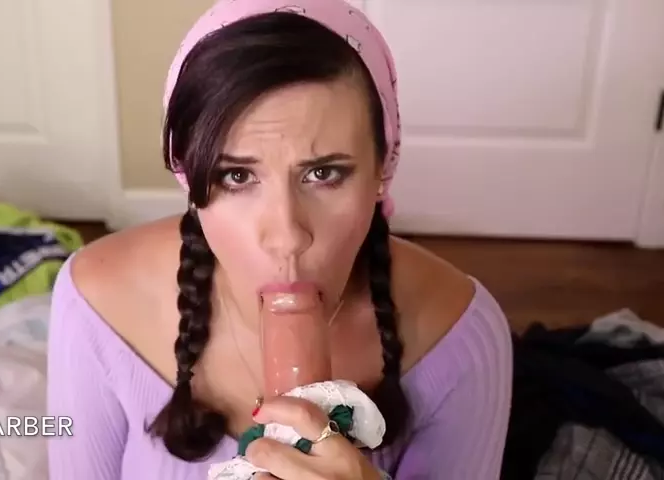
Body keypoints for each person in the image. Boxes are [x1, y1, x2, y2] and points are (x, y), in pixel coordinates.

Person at [46, 0, 513, 478]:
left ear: (383, 167)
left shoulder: (460, 336)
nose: (287, 237)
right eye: (237, 176)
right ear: (190, 178)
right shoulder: (95, 302)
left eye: (324, 173)